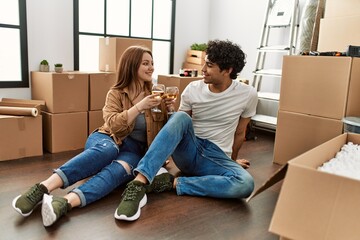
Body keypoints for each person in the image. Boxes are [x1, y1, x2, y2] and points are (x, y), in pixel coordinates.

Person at [12, 45, 174, 227]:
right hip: (108, 138)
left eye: (152, 63)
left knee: (118, 171)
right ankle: (42, 188)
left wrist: (169, 111)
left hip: (135, 150)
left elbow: (166, 134)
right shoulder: (116, 93)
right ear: (131, 65)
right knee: (109, 151)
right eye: (145, 63)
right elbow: (113, 124)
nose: (151, 67)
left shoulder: (156, 95)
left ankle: (64, 203)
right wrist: (138, 107)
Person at [114, 39, 258, 221]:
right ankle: (138, 183)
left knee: (246, 184)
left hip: (217, 157)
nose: (203, 69)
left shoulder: (248, 94)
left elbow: (240, 133)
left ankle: (173, 183)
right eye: (204, 63)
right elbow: (178, 124)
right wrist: (171, 112)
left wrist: (233, 161)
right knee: (180, 117)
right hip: (190, 150)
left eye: (210, 65)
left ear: (227, 70)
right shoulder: (193, 89)